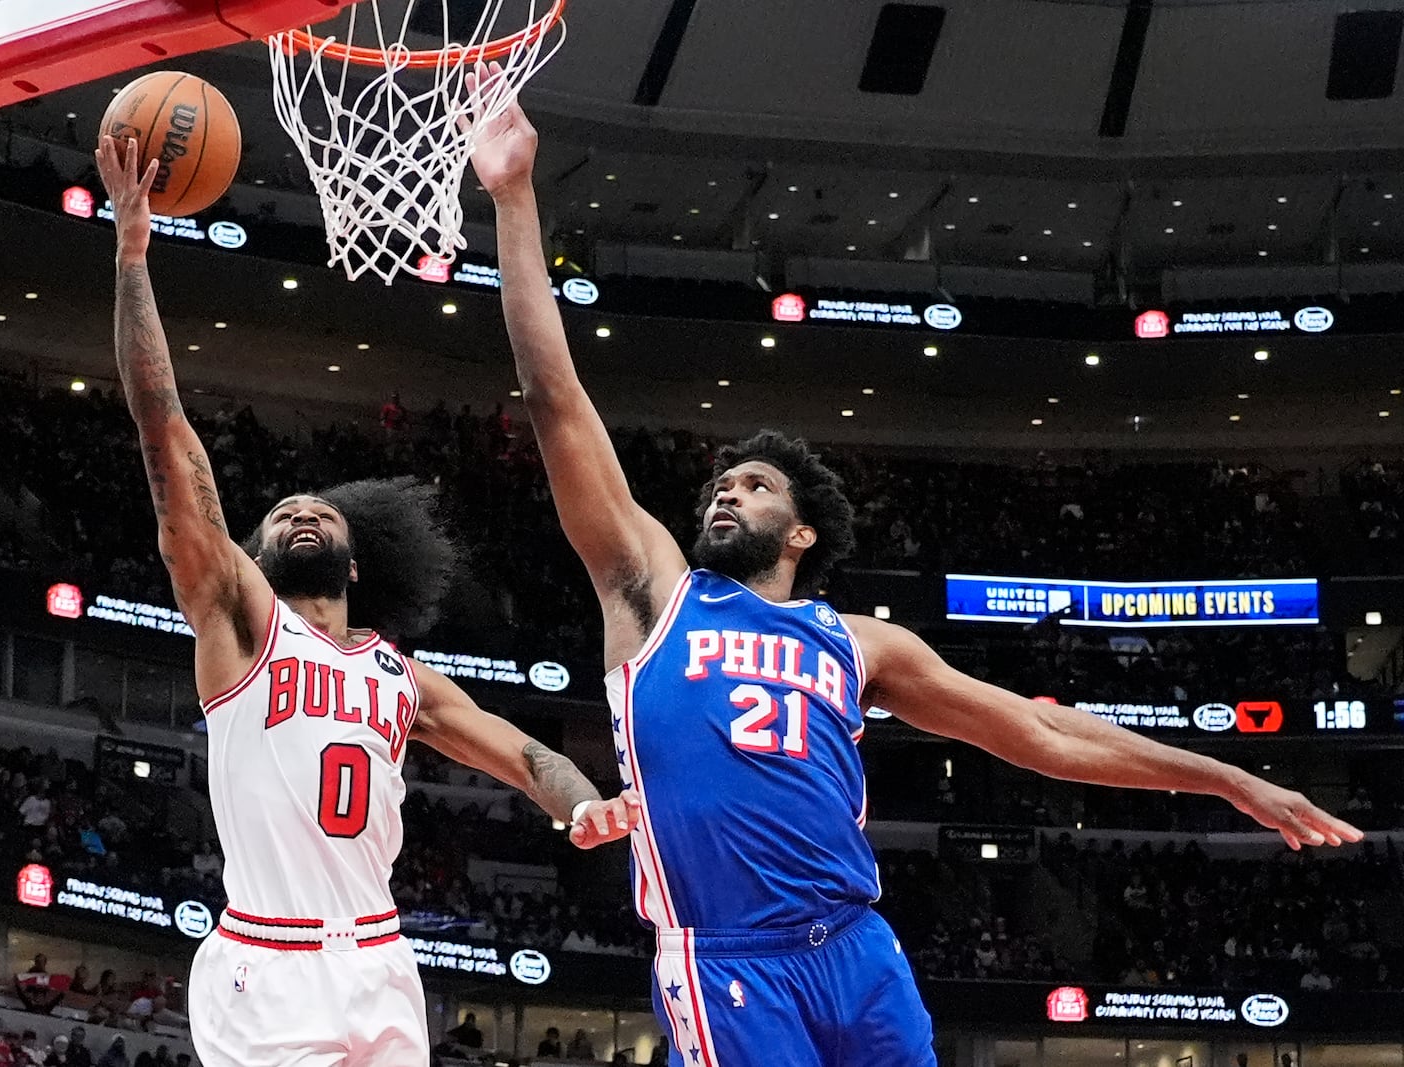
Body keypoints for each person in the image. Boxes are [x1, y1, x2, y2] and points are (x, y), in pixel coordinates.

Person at [467, 77, 1365, 1067]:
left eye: (754, 485)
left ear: (803, 532)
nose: (724, 493)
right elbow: (555, 402)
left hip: (859, 951)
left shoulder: (860, 642)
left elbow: (1040, 730)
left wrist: (1228, 776)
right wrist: (515, 200)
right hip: (728, 959)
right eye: (719, 484)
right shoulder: (655, 591)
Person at [94, 135, 639, 1067]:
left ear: (357, 563)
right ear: (253, 557)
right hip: (266, 963)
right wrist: (134, 256)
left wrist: (582, 802)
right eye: (281, 515)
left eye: (320, 512)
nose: (304, 511)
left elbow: (524, 750)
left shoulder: (400, 678)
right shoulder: (239, 620)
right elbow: (165, 431)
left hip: (383, 961)